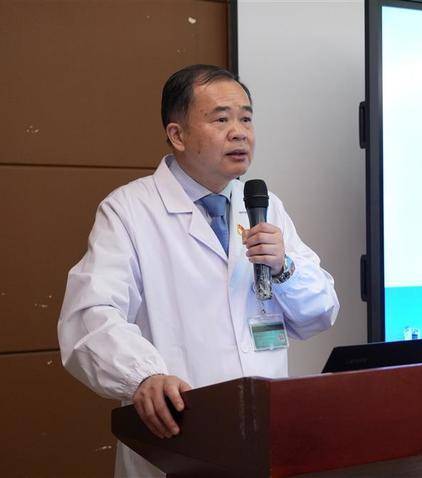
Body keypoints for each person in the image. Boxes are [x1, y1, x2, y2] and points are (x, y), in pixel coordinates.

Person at [57, 64, 340, 477]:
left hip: (264, 441)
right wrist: (143, 376)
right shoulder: (130, 210)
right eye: (221, 119)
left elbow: (320, 313)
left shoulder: (265, 206)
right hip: (179, 440)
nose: (239, 133)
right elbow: (90, 316)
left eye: (246, 119)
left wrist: (284, 268)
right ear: (178, 135)